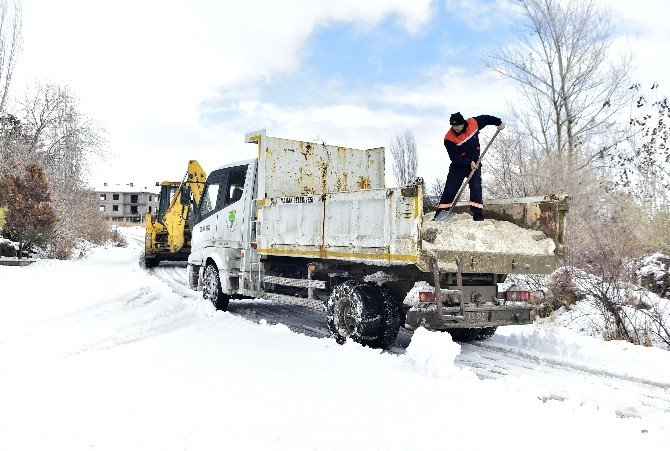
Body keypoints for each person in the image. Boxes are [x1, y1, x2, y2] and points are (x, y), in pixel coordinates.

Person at [434, 112, 505, 221]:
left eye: (457, 125)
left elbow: (486, 119)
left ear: (463, 123)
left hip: (475, 163)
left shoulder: (473, 123)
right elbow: (454, 158)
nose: (456, 128)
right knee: (450, 189)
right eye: (453, 126)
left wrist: (498, 122)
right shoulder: (449, 138)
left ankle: (478, 215)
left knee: (476, 187)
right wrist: (468, 162)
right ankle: (440, 215)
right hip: (459, 164)